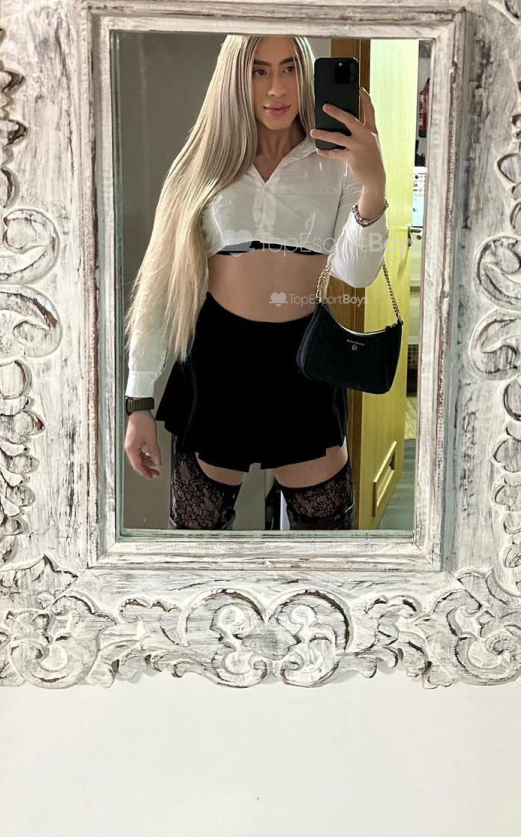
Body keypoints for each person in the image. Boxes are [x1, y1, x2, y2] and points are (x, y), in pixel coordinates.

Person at [123, 33, 389, 531]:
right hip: (216, 362)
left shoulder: (337, 163)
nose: (277, 88)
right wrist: (138, 401)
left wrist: (373, 184)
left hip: (306, 363)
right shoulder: (200, 164)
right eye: (258, 71)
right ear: (235, 78)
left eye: (290, 68)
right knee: (198, 547)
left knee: (323, 549)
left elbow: (356, 274)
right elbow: (160, 288)